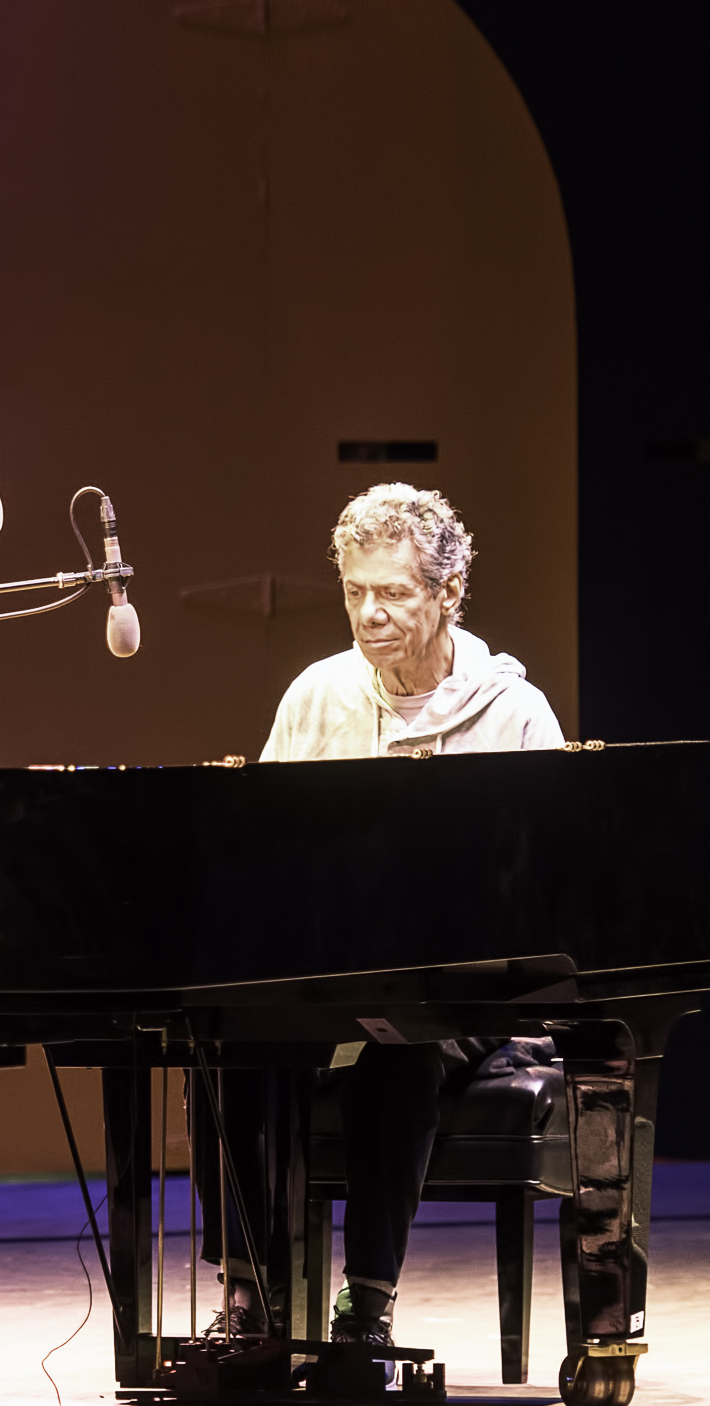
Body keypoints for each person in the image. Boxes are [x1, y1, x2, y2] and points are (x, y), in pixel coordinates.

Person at [212, 485, 563, 1352]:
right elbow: (267, 857)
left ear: (448, 594)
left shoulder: (514, 712)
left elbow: (548, 891)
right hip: (332, 976)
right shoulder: (317, 696)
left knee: (392, 1041)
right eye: (357, 592)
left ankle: (364, 1304)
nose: (371, 614)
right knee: (225, 1047)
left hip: (469, 996)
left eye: (395, 593)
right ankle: (251, 1293)